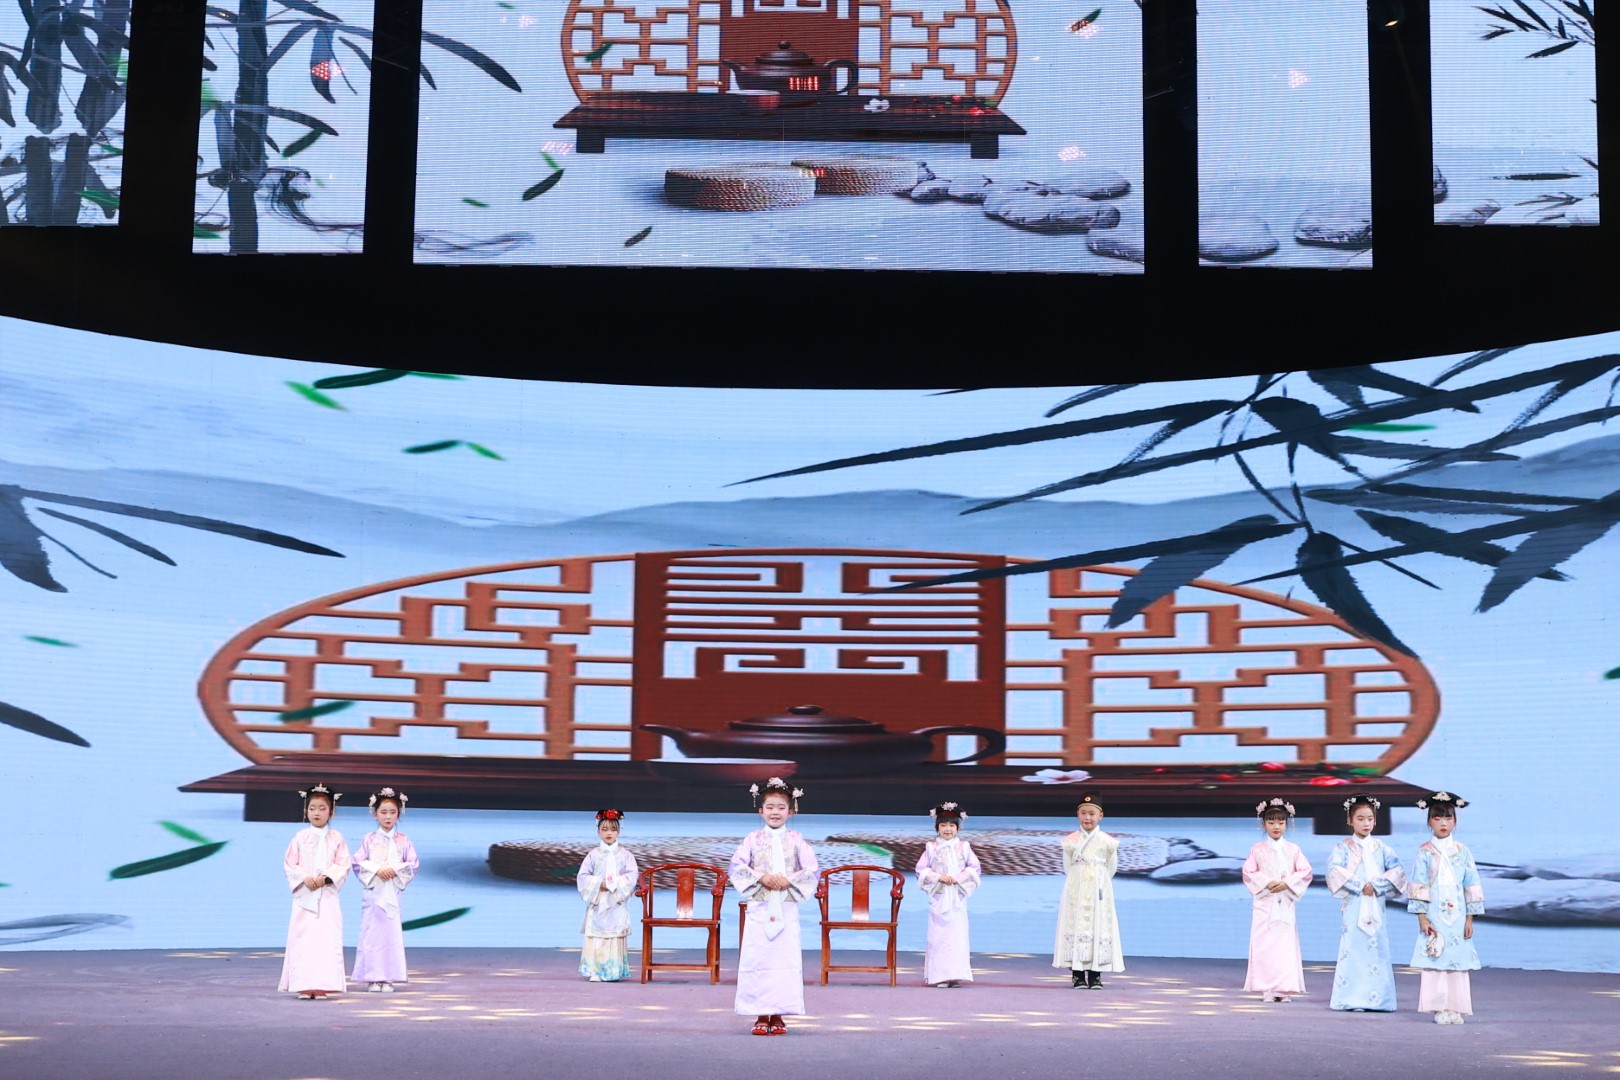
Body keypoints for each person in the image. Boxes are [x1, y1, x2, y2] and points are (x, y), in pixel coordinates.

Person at [730, 777, 818, 1035]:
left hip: (786, 907)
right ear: (761, 811)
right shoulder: (752, 839)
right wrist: (762, 877)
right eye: (770, 807)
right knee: (758, 958)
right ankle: (760, 1014)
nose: (775, 812)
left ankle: (778, 1014)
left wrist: (788, 880)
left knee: (784, 959)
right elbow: (736, 867)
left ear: (791, 811)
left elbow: (812, 870)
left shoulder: (797, 840)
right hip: (760, 906)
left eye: (781, 807)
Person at [1406, 791, 1484, 1025]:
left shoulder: (1462, 851)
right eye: (1437, 818)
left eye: (1448, 818)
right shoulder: (1425, 851)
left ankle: (1456, 1007)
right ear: (1429, 821)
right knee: (1435, 959)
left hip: (1458, 916)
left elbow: (1471, 884)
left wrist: (1469, 918)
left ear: (1455, 822)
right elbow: (1418, 885)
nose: (1443, 823)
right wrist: (1422, 918)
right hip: (1434, 915)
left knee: (1457, 962)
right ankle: (1438, 1007)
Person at [1326, 794, 1405, 1012]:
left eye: (1370, 819)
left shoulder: (1382, 847)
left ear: (1375, 820)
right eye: (1360, 819)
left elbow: (1398, 871)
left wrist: (1377, 885)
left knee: (1377, 947)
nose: (1366, 823)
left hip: (1375, 903)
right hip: (1354, 903)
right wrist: (1360, 885)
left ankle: (1380, 1000)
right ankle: (1351, 999)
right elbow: (1334, 870)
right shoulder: (1343, 847)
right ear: (1350, 821)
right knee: (1353, 947)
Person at [277, 783, 350, 999]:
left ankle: (322, 985)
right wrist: (304, 878)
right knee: (303, 939)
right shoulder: (300, 837)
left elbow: (343, 864)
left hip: (327, 895)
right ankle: (303, 985)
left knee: (326, 939)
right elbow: (290, 864)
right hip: (305, 895)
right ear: (306, 811)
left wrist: (325, 877)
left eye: (322, 808)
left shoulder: (337, 838)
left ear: (331, 812)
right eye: (312, 808)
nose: (316, 813)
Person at [1241, 797, 1313, 1002]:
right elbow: (1248, 872)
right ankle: (1268, 989)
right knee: (1265, 946)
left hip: (1285, 901)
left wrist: (1287, 883)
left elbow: (1305, 871)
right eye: (1271, 822)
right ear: (1263, 824)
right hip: (1265, 902)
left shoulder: (1293, 849)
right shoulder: (1257, 849)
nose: (1276, 827)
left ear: (1287, 824)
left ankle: (1284, 989)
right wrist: (1267, 882)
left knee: (1284, 946)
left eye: (1281, 822)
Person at [350, 787, 419, 993]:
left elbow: (413, 864)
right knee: (371, 934)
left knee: (391, 934)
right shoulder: (369, 839)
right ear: (375, 814)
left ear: (399, 813)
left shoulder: (403, 840)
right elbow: (357, 862)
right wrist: (377, 870)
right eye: (383, 812)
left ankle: (389, 977)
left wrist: (394, 870)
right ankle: (373, 978)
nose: (388, 817)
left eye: (392, 812)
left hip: (393, 891)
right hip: (374, 891)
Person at [1052, 793, 1123, 989]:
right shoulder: (1070, 841)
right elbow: (1068, 868)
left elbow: (1111, 868)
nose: (1087, 817)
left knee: (1098, 926)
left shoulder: (1108, 842)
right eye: (1083, 813)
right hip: (1076, 889)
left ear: (1101, 815)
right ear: (1077, 814)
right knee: (1075, 926)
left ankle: (1095, 975)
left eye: (1092, 813)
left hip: (1099, 890)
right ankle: (1077, 974)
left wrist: (1098, 882)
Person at [916, 801, 981, 988]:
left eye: (952, 825)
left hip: (957, 897)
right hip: (940, 896)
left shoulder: (964, 847)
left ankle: (955, 975)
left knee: (957, 937)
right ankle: (939, 976)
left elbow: (975, 868)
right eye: (943, 825)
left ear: (958, 828)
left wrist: (958, 878)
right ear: (937, 827)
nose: (947, 829)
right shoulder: (931, 847)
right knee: (939, 937)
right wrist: (939, 877)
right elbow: (921, 870)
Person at [577, 808, 638, 982]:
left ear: (619, 831)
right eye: (604, 829)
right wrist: (599, 883)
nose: (608, 833)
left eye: (613, 829)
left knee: (614, 935)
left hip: (615, 901)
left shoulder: (626, 855)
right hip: (599, 900)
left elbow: (632, 876)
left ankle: (613, 971)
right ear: (598, 831)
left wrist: (615, 883)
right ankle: (596, 971)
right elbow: (582, 876)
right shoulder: (593, 855)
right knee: (596, 935)